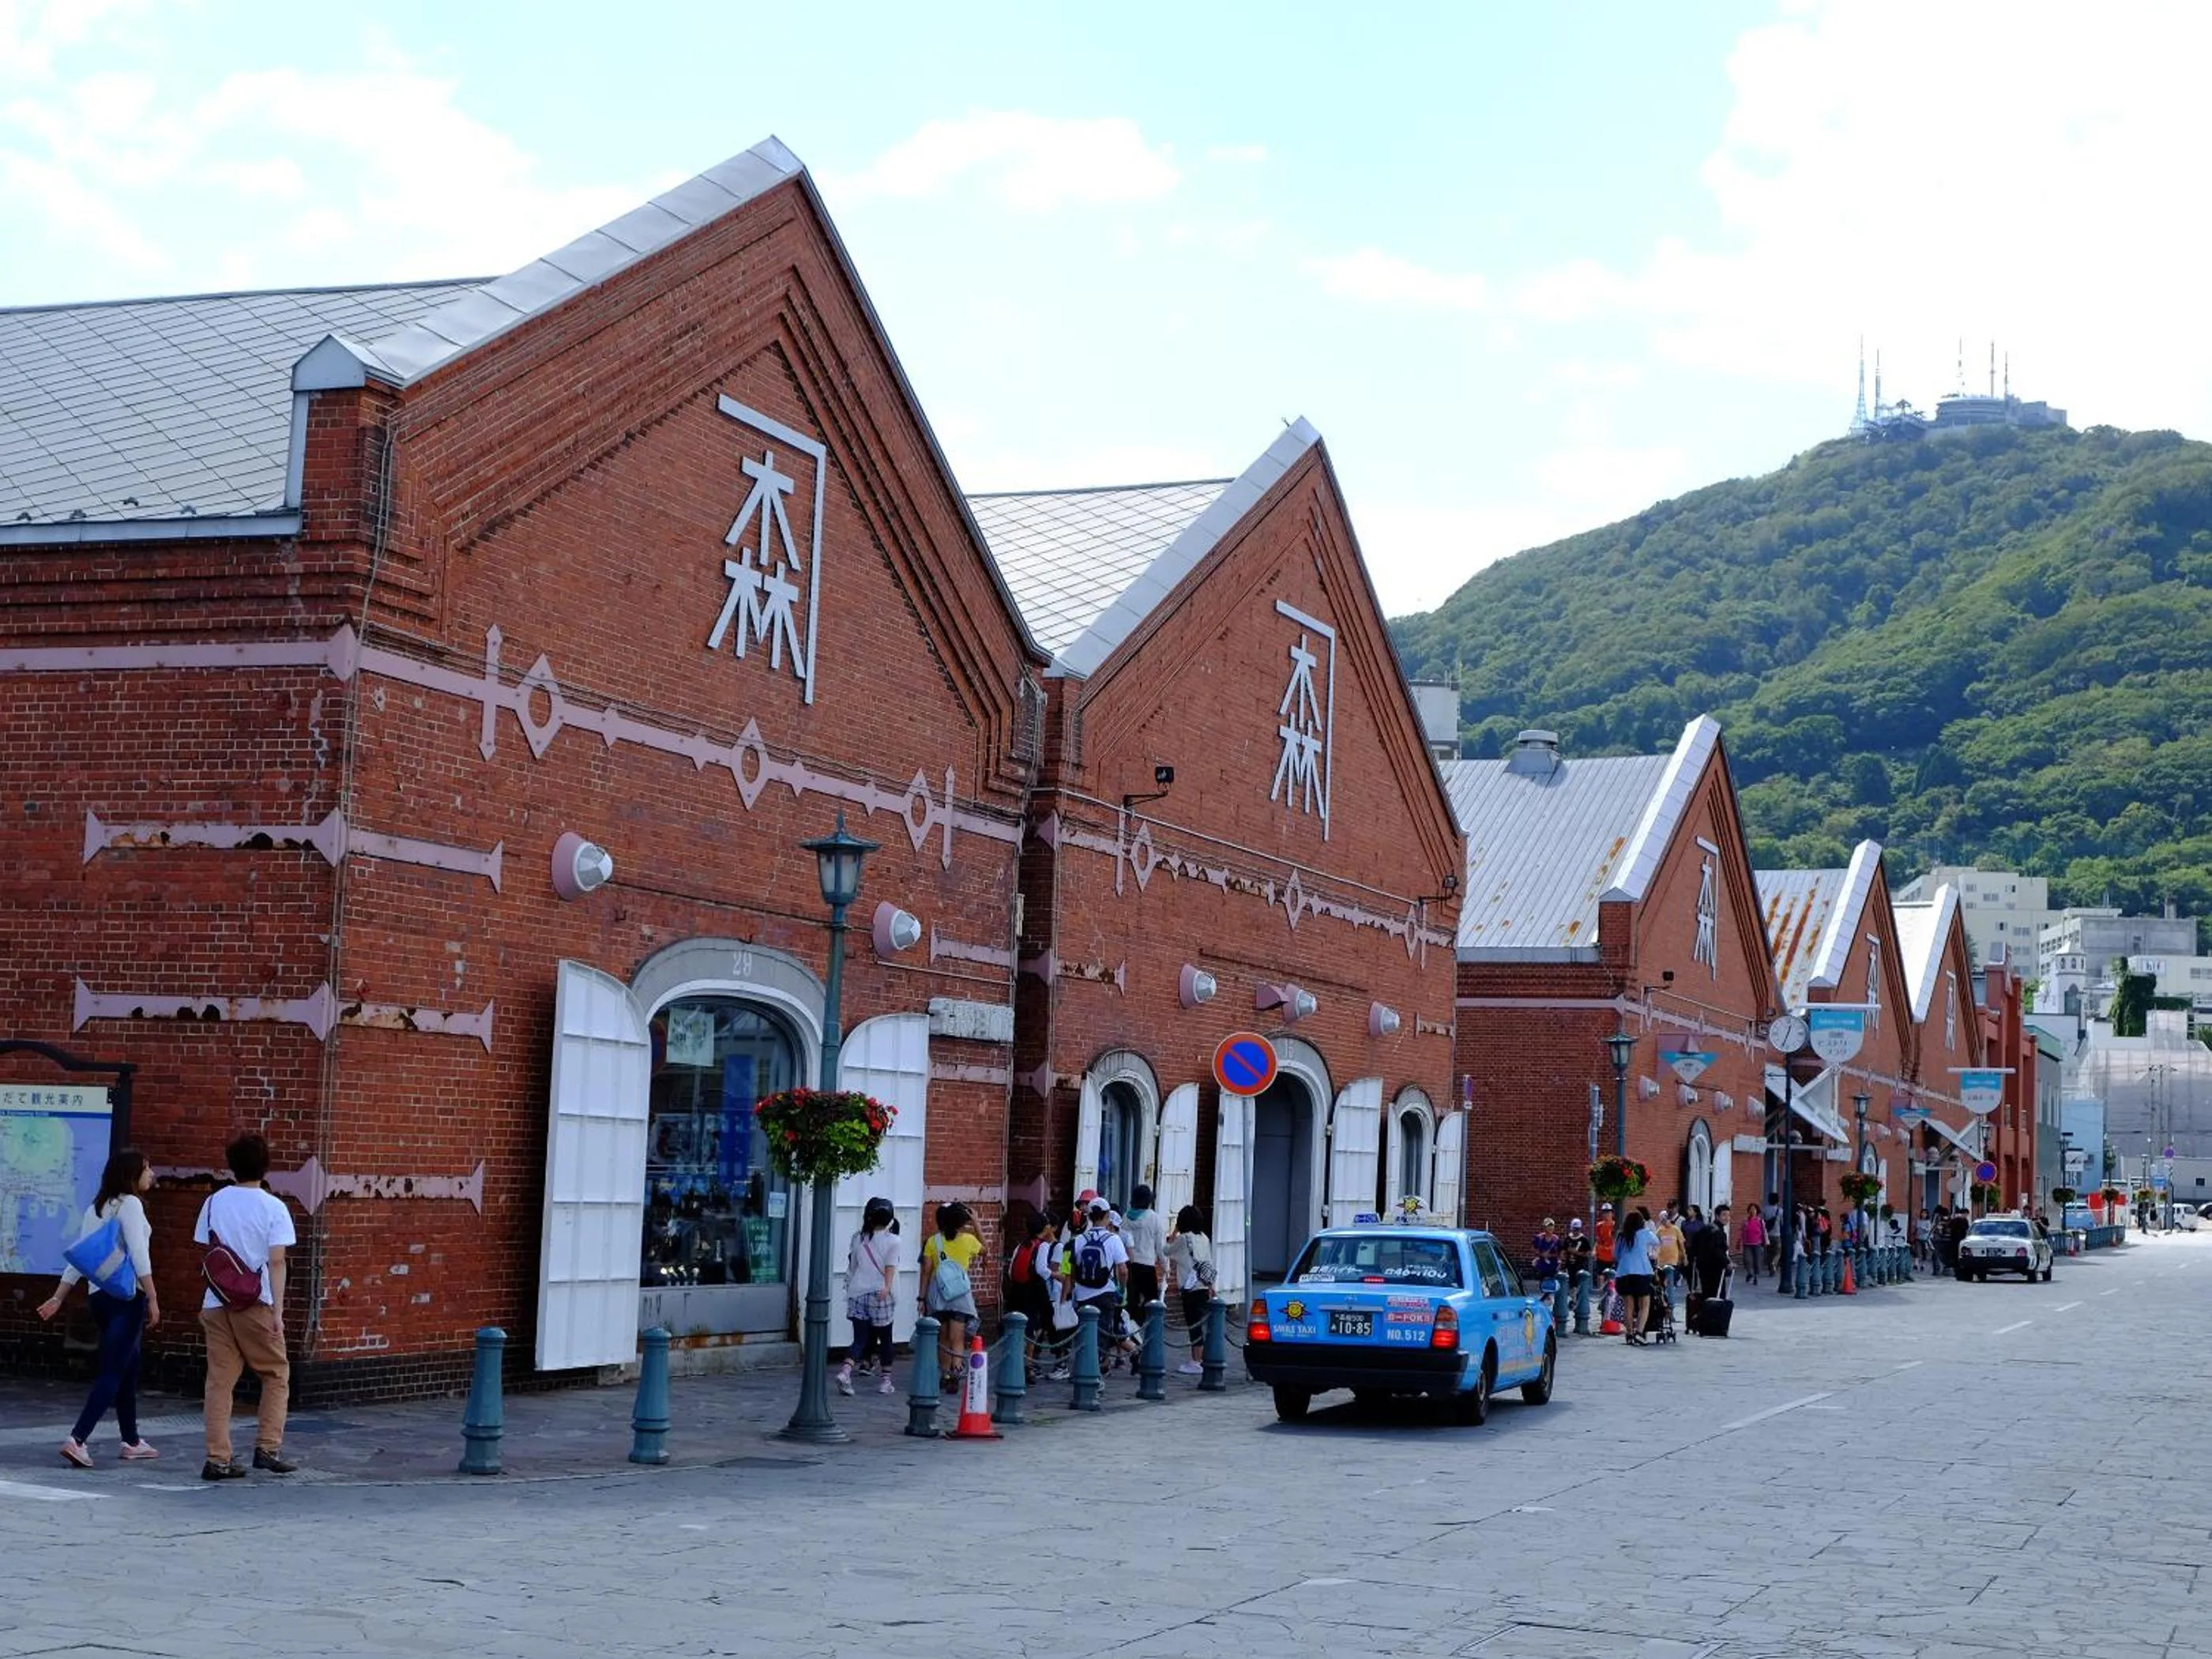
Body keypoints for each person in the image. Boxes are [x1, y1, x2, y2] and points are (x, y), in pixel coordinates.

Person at [39, 1149, 163, 1468]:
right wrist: (152, 1297)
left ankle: (132, 1440)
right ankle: (77, 1440)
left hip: (99, 1298)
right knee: (112, 1370)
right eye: (147, 1169)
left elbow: (80, 1258)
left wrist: (58, 1297)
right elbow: (139, 1254)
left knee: (128, 1366)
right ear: (133, 1175)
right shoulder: (131, 1205)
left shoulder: (96, 1207)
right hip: (126, 1298)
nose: (151, 1175)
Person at [195, 1131, 298, 1480]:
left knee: (219, 1382)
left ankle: (218, 1458)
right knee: (276, 1373)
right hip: (256, 1303)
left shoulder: (213, 1203)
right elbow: (277, 1262)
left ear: (231, 1166)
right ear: (265, 1166)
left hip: (215, 1301)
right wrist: (278, 1313)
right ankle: (267, 1448)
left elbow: (206, 1248)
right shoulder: (274, 1208)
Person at [837, 1197, 900, 1398]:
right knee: (886, 1339)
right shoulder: (894, 1240)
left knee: (860, 1339)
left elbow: (853, 1266)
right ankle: (886, 1382)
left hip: (857, 1292)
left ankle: (846, 1372)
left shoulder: (859, 1238)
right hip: (880, 1293)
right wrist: (887, 1287)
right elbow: (890, 1267)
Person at [1062, 1196, 1130, 1367]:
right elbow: (1123, 1270)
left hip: (1083, 1293)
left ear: (1089, 1217)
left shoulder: (1079, 1240)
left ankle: (1085, 1366)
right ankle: (1096, 1370)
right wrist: (1121, 1289)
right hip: (1105, 1292)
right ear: (1107, 1216)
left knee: (1084, 1333)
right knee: (1103, 1332)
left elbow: (1071, 1271)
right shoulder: (1113, 1240)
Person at [921, 1201, 983, 1390]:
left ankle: (945, 1373)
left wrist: (921, 1298)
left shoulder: (933, 1241)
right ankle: (956, 1372)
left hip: (939, 1296)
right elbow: (985, 1250)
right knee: (958, 1338)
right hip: (960, 1297)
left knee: (943, 1338)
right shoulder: (968, 1240)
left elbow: (926, 1271)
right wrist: (977, 1224)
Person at [1004, 1210, 1059, 1382]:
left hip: (1018, 1289)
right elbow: (1042, 1269)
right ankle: (1029, 1365)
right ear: (1045, 1227)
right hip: (1034, 1289)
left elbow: (1011, 1269)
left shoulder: (1022, 1244)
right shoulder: (1042, 1245)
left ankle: (1015, 1361)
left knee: (1018, 1326)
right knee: (1036, 1326)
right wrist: (1055, 1276)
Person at [1164, 1205, 1215, 1375]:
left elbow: (1166, 1250)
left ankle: (1196, 1361)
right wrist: (1211, 1286)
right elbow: (1207, 1262)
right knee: (1201, 1323)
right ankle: (1202, 1358)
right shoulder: (1204, 1238)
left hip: (1190, 1287)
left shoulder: (1183, 1239)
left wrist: (1174, 1232)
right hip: (1204, 1285)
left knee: (1193, 1324)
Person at [1612, 1208, 1659, 1345]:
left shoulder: (1621, 1236)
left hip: (1624, 1272)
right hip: (1642, 1272)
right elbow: (1656, 1241)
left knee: (1628, 1306)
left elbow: (1615, 1255)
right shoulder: (1644, 1233)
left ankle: (1629, 1333)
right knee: (1644, 1305)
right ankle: (1639, 1332)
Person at [1121, 1185, 1167, 1316]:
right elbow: (1160, 1246)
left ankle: (1132, 1331)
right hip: (1147, 1265)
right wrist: (1165, 1266)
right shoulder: (1154, 1218)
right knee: (1151, 1304)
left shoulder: (1125, 1217)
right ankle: (1147, 1332)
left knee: (1131, 1303)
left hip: (1129, 1264)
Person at [1690, 1202, 1731, 1302]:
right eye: (1724, 1215)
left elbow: (1694, 1245)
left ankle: (1705, 1314)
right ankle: (1713, 1316)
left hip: (1703, 1266)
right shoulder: (1717, 1232)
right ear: (1717, 1216)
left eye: (1728, 1215)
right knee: (1717, 1295)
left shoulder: (1706, 1228)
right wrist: (1727, 1262)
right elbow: (1717, 1250)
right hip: (1715, 1268)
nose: (1727, 1218)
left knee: (1706, 1294)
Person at [1562, 1218, 1594, 1334]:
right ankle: (1573, 1300)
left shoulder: (1584, 1240)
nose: (1576, 1231)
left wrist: (1578, 1253)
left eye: (1578, 1229)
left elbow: (1590, 1253)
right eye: (1574, 1229)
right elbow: (1563, 1251)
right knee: (1571, 1284)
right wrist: (1563, 1259)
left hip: (1580, 1267)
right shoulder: (1568, 1239)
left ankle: (1576, 1302)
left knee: (1579, 1285)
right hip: (1570, 1266)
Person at [1654, 1206, 1686, 1297]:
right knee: (1663, 1279)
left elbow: (1681, 1243)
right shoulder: (1660, 1230)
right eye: (1662, 1221)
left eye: (1665, 1220)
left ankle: (1670, 1295)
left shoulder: (1676, 1229)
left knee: (1671, 1278)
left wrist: (1684, 1256)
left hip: (1673, 1258)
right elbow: (1655, 1242)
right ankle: (1666, 1295)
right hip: (1662, 1259)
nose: (1664, 1222)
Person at [1739, 1201, 1767, 1285]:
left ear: (1757, 1211)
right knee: (1747, 1260)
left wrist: (1766, 1241)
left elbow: (1764, 1231)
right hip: (1747, 1243)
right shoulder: (1745, 1221)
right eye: (1751, 1209)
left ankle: (1755, 1277)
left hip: (1757, 1243)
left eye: (1754, 1209)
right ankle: (1749, 1273)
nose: (1752, 1211)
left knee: (1756, 1261)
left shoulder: (1760, 1221)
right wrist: (1739, 1241)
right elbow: (1742, 1232)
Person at [1530, 1218, 1563, 1286]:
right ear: (1544, 1227)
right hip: (1542, 1265)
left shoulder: (1556, 1239)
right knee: (1543, 1284)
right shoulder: (1539, 1238)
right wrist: (1540, 1254)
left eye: (1552, 1226)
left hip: (1553, 1265)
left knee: (1551, 1284)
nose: (1550, 1228)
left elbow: (1560, 1253)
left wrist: (1551, 1256)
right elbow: (1533, 1248)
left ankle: (1549, 1295)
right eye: (1548, 1226)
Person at [1593, 1202, 1616, 1277]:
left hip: (1612, 1256)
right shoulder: (1599, 1226)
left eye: (1608, 1212)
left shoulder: (1615, 1225)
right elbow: (1598, 1240)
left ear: (1612, 1214)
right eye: (1604, 1212)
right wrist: (1594, 1251)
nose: (1606, 1215)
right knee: (1600, 1276)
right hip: (1601, 1256)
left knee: (1612, 1277)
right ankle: (1601, 1289)